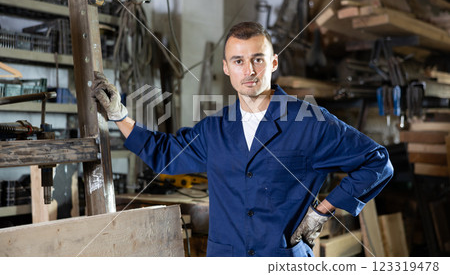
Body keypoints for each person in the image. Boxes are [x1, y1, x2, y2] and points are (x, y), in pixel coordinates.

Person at [93, 21, 394, 257]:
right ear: (226, 68)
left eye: (257, 59)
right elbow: (165, 154)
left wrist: (322, 210)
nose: (249, 71)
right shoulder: (215, 129)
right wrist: (119, 114)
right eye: (238, 61)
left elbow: (377, 162)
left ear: (273, 63)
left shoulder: (310, 122)